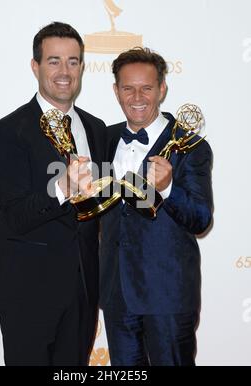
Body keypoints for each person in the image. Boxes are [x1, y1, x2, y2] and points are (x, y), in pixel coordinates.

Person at [0, 22, 106, 366]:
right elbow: (16, 215)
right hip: (28, 293)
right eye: (54, 61)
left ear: (82, 66)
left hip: (84, 291)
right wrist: (62, 188)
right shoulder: (9, 131)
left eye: (73, 61)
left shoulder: (95, 128)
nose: (64, 72)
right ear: (35, 66)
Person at [99, 47, 213, 366]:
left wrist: (169, 188)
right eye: (128, 88)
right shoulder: (104, 139)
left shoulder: (191, 146)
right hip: (116, 294)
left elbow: (201, 219)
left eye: (147, 88)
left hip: (168, 296)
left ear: (162, 89)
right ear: (116, 91)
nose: (137, 96)